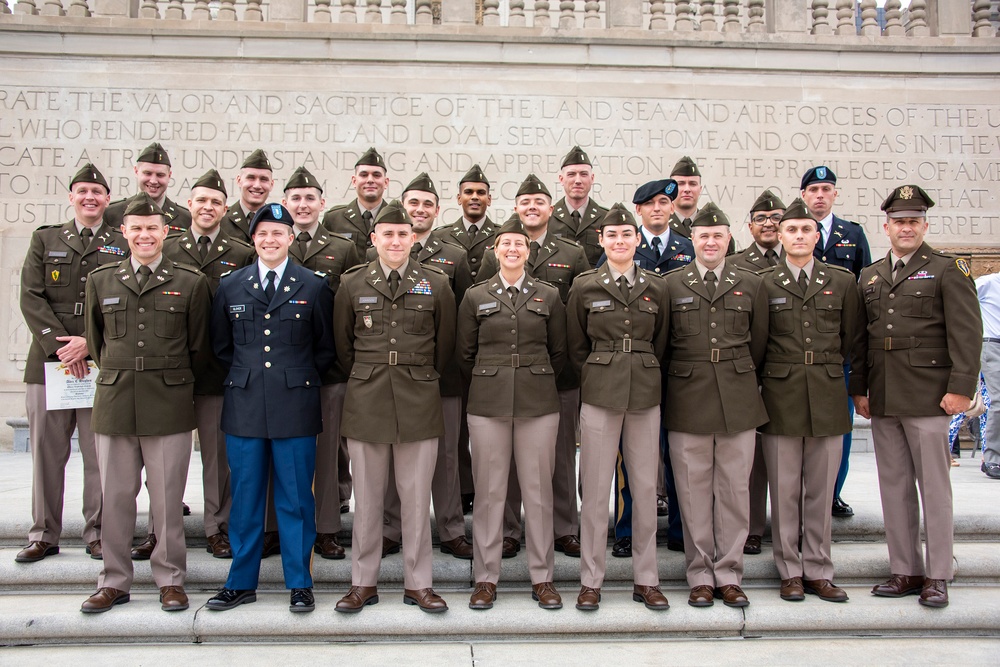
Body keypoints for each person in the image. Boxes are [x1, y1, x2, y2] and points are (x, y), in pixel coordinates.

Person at [851, 185, 982, 609]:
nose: (905, 228)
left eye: (913, 221)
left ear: (924, 225)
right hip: (885, 396)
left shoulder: (947, 269)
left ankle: (938, 573)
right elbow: (865, 340)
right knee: (895, 487)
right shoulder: (869, 276)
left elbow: (967, 333)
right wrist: (861, 389)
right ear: (885, 227)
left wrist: (961, 388)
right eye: (898, 222)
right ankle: (905, 569)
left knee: (935, 489)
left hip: (930, 397)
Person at [80, 195, 212, 613]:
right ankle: (114, 581)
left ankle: (170, 579)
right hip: (116, 400)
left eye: (152, 227)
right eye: (136, 228)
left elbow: (199, 347)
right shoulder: (101, 280)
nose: (144, 235)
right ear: (124, 232)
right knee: (116, 496)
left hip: (168, 400)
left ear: (166, 231)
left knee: (168, 501)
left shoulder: (191, 282)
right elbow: (98, 344)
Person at [206, 203, 335, 614]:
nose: (270, 240)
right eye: (262, 233)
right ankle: (240, 582)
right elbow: (221, 348)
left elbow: (325, 348)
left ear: (291, 238)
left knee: (296, 499)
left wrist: (290, 377)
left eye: (278, 233)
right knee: (245, 499)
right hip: (243, 405)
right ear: (253, 239)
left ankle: (299, 582)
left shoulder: (313, 286)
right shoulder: (230, 285)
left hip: (295, 405)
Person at [333, 201, 456, 614]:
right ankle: (362, 582)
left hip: (418, 398)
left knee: (416, 497)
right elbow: (343, 349)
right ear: (374, 239)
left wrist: (416, 375)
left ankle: (418, 584)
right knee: (368, 500)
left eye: (403, 233)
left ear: (413, 238)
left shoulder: (436, 284)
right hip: (367, 400)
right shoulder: (352, 284)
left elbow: (445, 348)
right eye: (388, 233)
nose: (396, 240)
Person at [131, 170, 255, 561]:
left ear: (225, 208)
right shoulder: (167, 247)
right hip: (168, 371)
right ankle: (158, 528)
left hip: (217, 370)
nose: (208, 207)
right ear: (189, 205)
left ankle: (217, 526)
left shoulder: (240, 252)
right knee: (163, 458)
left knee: (218, 456)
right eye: (201, 200)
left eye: (216, 202)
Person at [16, 164, 125, 564]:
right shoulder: (45, 239)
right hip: (48, 364)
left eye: (97, 192)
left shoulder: (120, 241)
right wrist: (59, 345)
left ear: (108, 199)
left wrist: (89, 345)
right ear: (71, 196)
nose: (90, 197)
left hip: (99, 363)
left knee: (101, 456)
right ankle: (43, 533)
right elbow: (31, 296)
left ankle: (98, 532)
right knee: (47, 451)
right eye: (82, 191)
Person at [457, 216, 567, 611]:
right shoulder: (475, 296)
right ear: (495, 249)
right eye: (506, 243)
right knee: (489, 495)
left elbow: (559, 351)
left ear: (529, 250)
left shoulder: (549, 295)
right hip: (488, 404)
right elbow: (464, 354)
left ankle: (543, 578)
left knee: (538, 494)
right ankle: (485, 578)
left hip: (538, 403)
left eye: (520, 243)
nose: (513, 249)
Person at [662, 203, 768, 608]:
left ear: (729, 238)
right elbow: (664, 346)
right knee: (691, 491)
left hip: (738, 399)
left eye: (718, 235)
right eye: (703, 235)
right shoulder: (671, 284)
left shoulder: (751, 283)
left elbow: (758, 343)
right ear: (693, 240)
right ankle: (700, 574)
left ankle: (729, 573)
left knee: (733, 492)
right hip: (688, 400)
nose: (710, 241)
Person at [480, 175, 589, 559]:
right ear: (515, 208)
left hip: (556, 377)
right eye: (525, 201)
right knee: (507, 462)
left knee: (558, 458)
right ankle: (509, 530)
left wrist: (554, 372)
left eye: (539, 202)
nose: (532, 207)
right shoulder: (498, 250)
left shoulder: (573, 253)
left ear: (550, 208)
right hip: (507, 380)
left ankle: (563, 528)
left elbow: (576, 318)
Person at [567, 204, 670, 612]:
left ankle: (646, 579)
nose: (620, 241)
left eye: (627, 234)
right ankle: (591, 580)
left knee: (644, 490)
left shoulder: (656, 286)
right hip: (600, 393)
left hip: (644, 394)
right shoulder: (584, 286)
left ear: (638, 238)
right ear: (602, 240)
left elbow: (661, 342)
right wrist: (598, 374)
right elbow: (576, 346)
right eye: (612, 235)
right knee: (594, 490)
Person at [370, 174, 474, 560]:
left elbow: (459, 320)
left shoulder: (455, 256)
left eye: (427, 204)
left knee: (446, 456)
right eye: (413, 203)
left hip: (441, 378)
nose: (420, 210)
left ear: (437, 209)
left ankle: (450, 528)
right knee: (396, 450)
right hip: (393, 380)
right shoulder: (379, 255)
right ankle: (391, 528)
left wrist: (439, 367)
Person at [758, 198, 857, 604]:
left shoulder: (842, 281)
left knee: (820, 489)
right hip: (781, 395)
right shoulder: (763, 282)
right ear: (780, 236)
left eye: (806, 230)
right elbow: (757, 344)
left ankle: (818, 568)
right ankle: (789, 570)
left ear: (818, 235)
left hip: (828, 393)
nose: (799, 236)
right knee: (784, 490)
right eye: (791, 230)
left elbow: (852, 341)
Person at [604, 178, 694, 560]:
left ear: (673, 208)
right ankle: (626, 529)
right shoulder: (618, 246)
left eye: (664, 202)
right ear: (638, 210)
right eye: (650, 203)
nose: (658, 208)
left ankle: (678, 528)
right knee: (630, 460)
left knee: (677, 456)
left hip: (679, 371)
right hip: (633, 374)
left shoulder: (689, 248)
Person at [283, 165, 362, 561]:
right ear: (285, 204)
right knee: (281, 451)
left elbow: (350, 309)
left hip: (328, 368)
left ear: (322, 204)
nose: (302, 204)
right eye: (295, 198)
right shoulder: (272, 243)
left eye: (309, 198)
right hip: (281, 371)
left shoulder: (343, 248)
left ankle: (328, 528)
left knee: (329, 453)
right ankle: (275, 527)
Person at [801, 165, 872, 519]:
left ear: (835, 194)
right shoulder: (795, 229)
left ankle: (833, 493)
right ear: (803, 196)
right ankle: (804, 496)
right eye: (813, 190)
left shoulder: (853, 235)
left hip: (838, 353)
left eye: (826, 189)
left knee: (838, 431)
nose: (819, 195)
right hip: (800, 351)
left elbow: (863, 296)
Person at [430, 164, 498, 513]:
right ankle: (463, 489)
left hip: (492, 346)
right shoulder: (442, 238)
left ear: (490, 198)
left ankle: (485, 491)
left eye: (481, 192)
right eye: (468, 192)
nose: (474, 197)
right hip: (455, 346)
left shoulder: (504, 237)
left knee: (486, 426)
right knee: (455, 430)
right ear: (458, 198)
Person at [732, 189, 786, 556]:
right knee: (749, 459)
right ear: (749, 226)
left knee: (783, 458)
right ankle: (751, 527)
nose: (769, 224)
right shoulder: (736, 265)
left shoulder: (802, 259)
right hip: (747, 372)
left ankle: (787, 529)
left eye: (776, 219)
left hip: (787, 372)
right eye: (762, 219)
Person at [104, 142, 191, 233]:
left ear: (169, 176)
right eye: (147, 173)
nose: (153, 181)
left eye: (160, 175)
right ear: (136, 171)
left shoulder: (186, 219)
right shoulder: (110, 214)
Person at [323, 147, 389, 258]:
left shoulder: (396, 218)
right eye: (364, 175)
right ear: (354, 181)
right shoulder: (334, 219)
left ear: (386, 182)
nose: (370, 180)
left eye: (376, 175)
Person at [548, 146, 609, 267]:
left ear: (592, 178)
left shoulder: (607, 219)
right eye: (571, 174)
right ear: (561, 179)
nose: (578, 180)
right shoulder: (548, 218)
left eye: (583, 174)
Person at [667, 156, 735, 254]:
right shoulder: (661, 227)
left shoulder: (715, 225)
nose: (687, 189)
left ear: (700, 189)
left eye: (692, 184)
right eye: (681, 183)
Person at [219, 149, 274, 244]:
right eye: (251, 178)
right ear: (239, 180)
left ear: (271, 184)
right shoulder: (221, 220)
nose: (257, 185)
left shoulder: (278, 222)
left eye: (263, 179)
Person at [976, 271, 1000, 479]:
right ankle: (992, 458)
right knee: (999, 400)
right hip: (992, 345)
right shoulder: (988, 283)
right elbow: (960, 301)